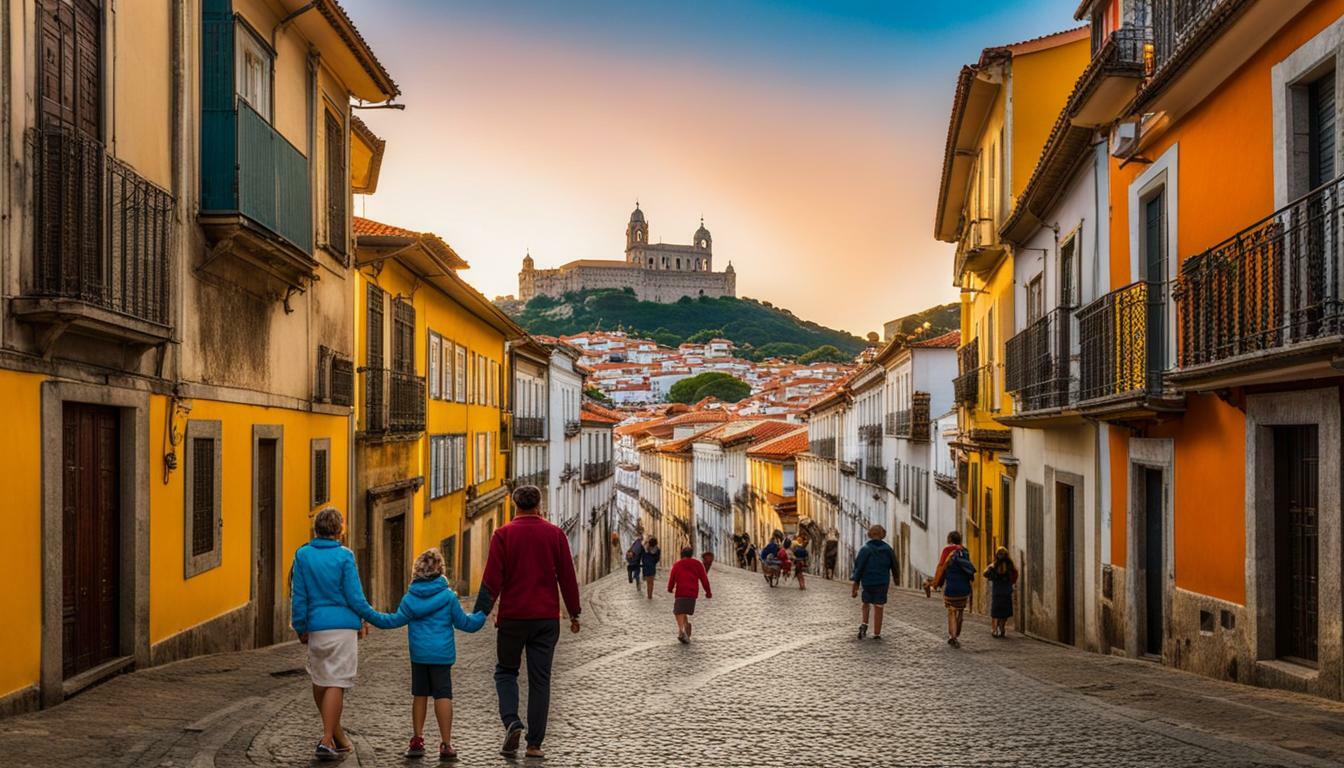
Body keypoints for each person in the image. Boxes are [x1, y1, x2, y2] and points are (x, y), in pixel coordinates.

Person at [474, 486, 582, 761]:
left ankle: (512, 721)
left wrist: (479, 614)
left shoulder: (503, 535)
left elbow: (492, 578)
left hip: (513, 617)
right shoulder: (555, 534)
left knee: (506, 672)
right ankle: (534, 745)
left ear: (515, 505)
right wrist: (574, 612)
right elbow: (567, 577)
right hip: (546, 618)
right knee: (540, 680)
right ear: (539, 505)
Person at [366, 548, 486, 762]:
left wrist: (367, 613)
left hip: (419, 654)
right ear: (440, 570)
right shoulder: (448, 597)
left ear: (417, 571)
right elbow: (465, 623)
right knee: (443, 695)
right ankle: (446, 744)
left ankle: (417, 739)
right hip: (442, 655)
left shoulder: (410, 598)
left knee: (419, 694)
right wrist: (481, 615)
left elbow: (391, 620)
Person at [289, 507, 385, 761]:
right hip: (343, 629)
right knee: (336, 683)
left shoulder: (302, 556)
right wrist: (370, 618)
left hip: (317, 628)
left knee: (321, 680)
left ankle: (336, 737)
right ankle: (327, 739)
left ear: (315, 529)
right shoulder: (345, 556)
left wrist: (300, 627)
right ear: (340, 530)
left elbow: (299, 597)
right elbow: (355, 597)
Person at [850, 524, 899, 640]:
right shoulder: (888, 549)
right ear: (882, 535)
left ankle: (864, 623)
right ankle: (877, 633)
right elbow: (895, 565)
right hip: (882, 582)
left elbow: (859, 567)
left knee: (866, 603)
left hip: (867, 582)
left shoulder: (865, 549)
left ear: (870, 535)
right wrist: (897, 579)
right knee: (879, 606)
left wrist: (855, 584)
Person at [934, 531, 976, 648]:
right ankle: (957, 633)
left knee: (951, 611)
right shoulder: (965, 551)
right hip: (964, 586)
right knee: (960, 611)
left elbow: (941, 567)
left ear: (949, 539)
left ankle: (953, 636)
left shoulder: (947, 551)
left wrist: (937, 582)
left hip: (952, 585)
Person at [667, 546, 713, 643]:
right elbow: (704, 579)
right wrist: (708, 592)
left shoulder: (677, 564)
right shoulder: (698, 564)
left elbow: (672, 577)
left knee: (678, 611)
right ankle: (686, 626)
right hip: (692, 593)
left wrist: (670, 588)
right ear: (691, 555)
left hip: (681, 591)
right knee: (682, 610)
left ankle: (681, 631)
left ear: (682, 554)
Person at [983, 547, 1018, 638]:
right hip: (1006, 591)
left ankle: (994, 629)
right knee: (1004, 612)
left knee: (995, 612)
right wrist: (1011, 583)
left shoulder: (994, 565)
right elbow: (1015, 575)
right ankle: (1002, 628)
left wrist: (990, 568)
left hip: (997, 591)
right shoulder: (1010, 566)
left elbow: (985, 573)